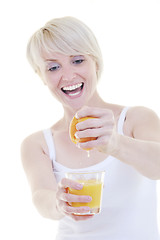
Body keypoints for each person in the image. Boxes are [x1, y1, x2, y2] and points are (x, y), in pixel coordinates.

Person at [21, 16, 160, 240]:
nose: (67, 76)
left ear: (95, 62)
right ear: (42, 76)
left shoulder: (135, 119)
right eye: (53, 67)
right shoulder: (38, 144)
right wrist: (59, 203)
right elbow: (40, 197)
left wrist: (114, 143)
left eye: (77, 60)